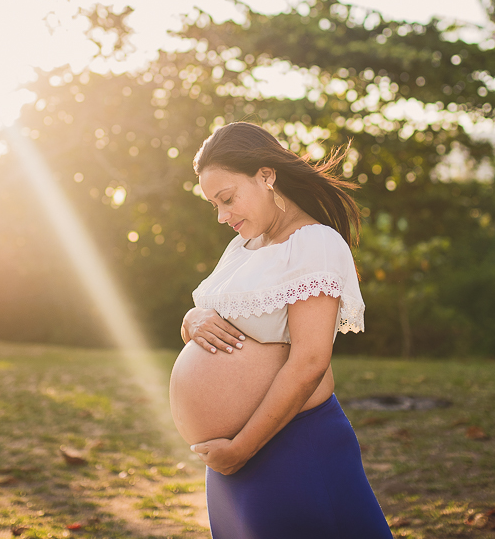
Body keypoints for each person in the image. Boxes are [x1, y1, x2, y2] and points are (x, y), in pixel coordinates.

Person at [167, 121, 393, 539]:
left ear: (266, 176)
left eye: (228, 199)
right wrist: (192, 320)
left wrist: (241, 449)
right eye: (214, 205)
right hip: (232, 458)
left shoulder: (314, 244)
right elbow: (206, 319)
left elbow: (309, 362)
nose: (222, 216)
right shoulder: (245, 246)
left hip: (287, 445)